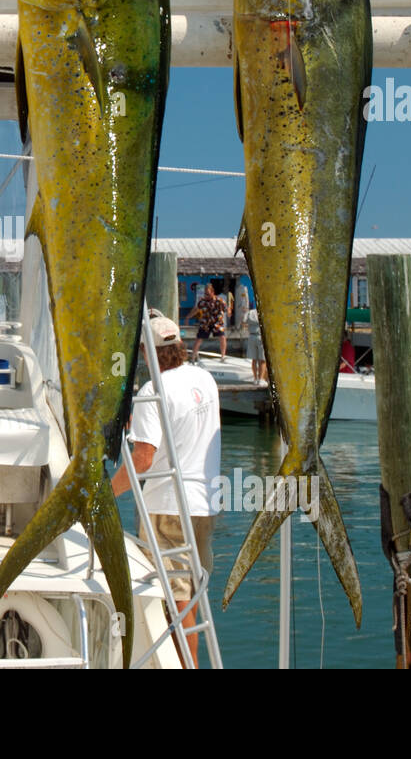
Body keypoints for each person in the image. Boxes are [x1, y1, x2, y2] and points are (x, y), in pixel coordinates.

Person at [112, 310, 222, 667]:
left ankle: (187, 665)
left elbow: (143, 459)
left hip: (168, 507)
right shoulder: (204, 379)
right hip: (205, 504)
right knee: (193, 595)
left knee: (176, 598)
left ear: (148, 352)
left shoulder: (152, 390)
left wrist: (104, 494)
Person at [185, 282, 227, 362]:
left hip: (217, 322)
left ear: (212, 292)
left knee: (222, 337)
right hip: (206, 323)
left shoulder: (220, 301)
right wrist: (188, 317)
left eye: (208, 294)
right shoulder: (203, 301)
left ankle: (223, 356)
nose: (206, 296)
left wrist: (229, 312)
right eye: (205, 294)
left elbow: (226, 308)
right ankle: (193, 357)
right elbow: (196, 310)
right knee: (199, 339)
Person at [246, 302, 267, 384]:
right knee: (262, 359)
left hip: (251, 336)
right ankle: (261, 379)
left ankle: (255, 378)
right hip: (260, 336)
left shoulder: (250, 313)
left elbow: (244, 321)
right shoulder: (264, 311)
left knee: (254, 360)